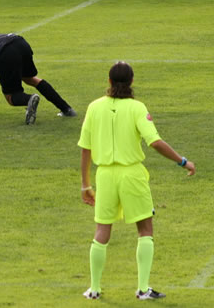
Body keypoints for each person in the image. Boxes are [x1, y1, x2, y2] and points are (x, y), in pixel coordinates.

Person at [78, 61, 195, 301]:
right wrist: (182, 161)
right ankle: (143, 289)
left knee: (102, 231)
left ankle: (94, 289)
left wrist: (85, 185)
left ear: (109, 81)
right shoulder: (137, 108)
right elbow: (155, 142)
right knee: (145, 229)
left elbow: (85, 149)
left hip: (105, 176)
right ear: (131, 82)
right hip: (132, 175)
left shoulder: (94, 107)